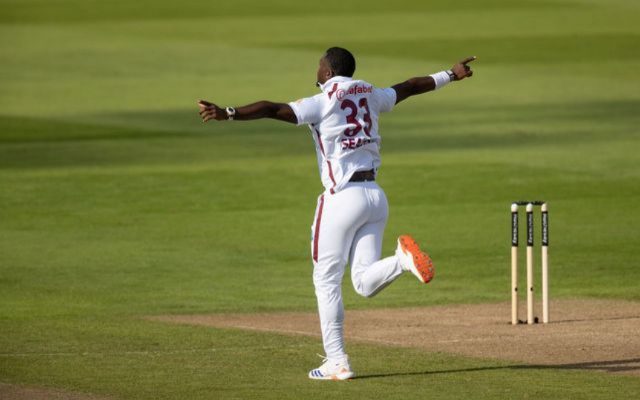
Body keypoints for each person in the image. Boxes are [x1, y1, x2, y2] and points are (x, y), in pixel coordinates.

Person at [198, 47, 475, 380]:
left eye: (319, 66)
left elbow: (273, 109)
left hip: (341, 198)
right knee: (363, 282)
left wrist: (228, 113)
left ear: (328, 72)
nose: (316, 71)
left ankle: (338, 361)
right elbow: (409, 87)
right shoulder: (371, 93)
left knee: (326, 281)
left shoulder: (323, 100)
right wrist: (450, 74)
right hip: (375, 197)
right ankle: (402, 260)